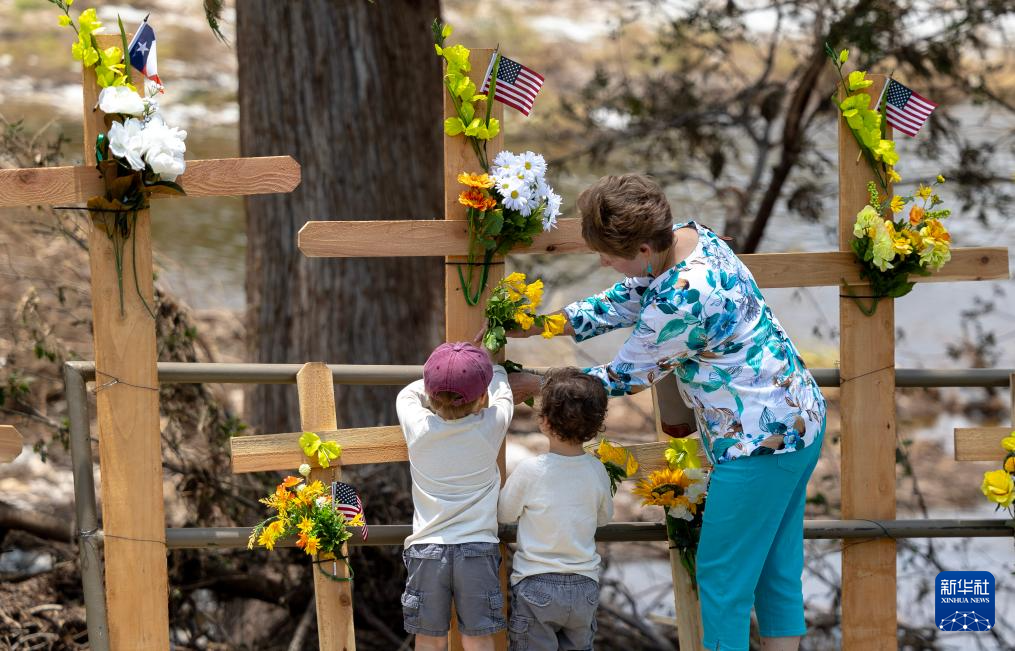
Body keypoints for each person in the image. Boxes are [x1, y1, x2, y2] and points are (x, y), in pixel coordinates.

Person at [508, 174, 827, 651]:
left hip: (759, 442)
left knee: (721, 577)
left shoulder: (684, 297)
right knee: (775, 569)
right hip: (800, 416)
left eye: (608, 255)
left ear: (640, 249)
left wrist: (536, 384)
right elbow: (628, 298)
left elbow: (625, 374)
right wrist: (541, 324)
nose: (602, 262)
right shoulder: (692, 238)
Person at [396, 342, 513, 651]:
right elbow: (504, 393)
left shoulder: (418, 427)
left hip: (427, 549)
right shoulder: (492, 425)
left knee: (429, 638)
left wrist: (439, 381)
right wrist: (496, 369)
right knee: (478, 637)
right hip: (478, 548)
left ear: (432, 397)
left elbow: (406, 394)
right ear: (481, 397)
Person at [498, 367, 613, 651]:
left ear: (544, 422)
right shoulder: (597, 471)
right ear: (595, 426)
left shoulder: (530, 471)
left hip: (537, 583)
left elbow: (504, 514)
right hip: (584, 585)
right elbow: (604, 517)